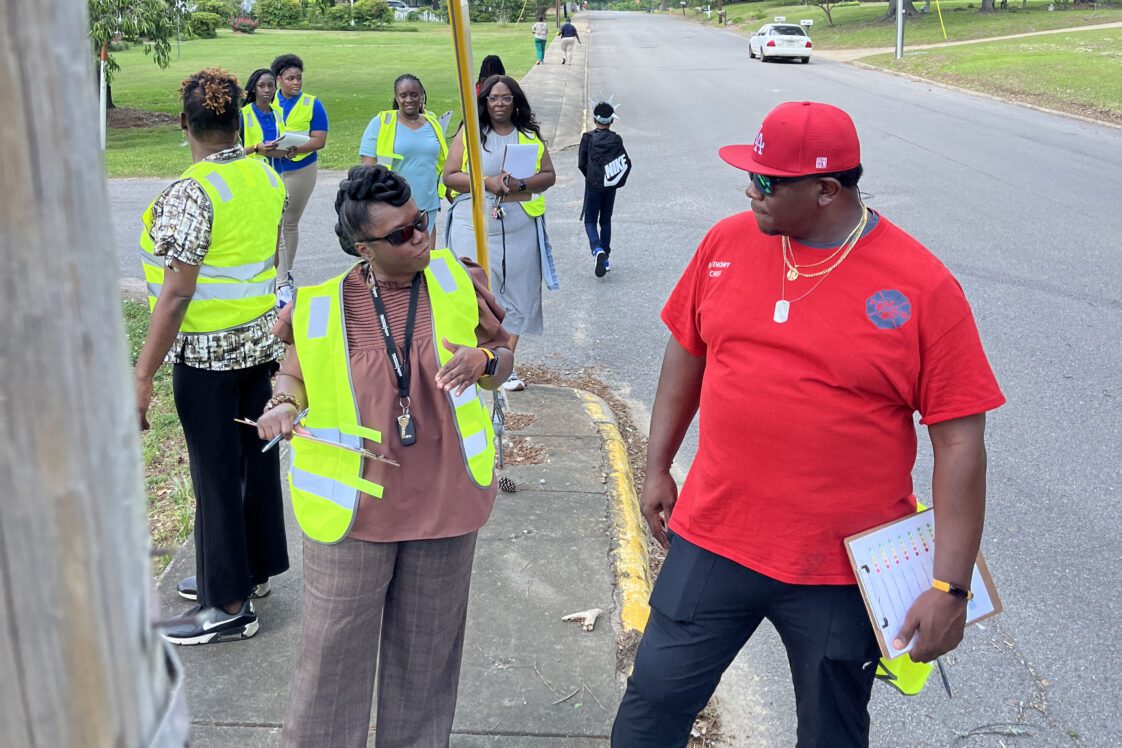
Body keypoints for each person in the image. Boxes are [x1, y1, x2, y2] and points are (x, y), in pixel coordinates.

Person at [611, 101, 1006, 747]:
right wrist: (658, 465)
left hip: (839, 568)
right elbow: (687, 348)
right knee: (650, 707)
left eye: (767, 182)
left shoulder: (923, 287)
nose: (750, 190)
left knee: (831, 733)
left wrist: (951, 587)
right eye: (751, 174)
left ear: (826, 190)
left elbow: (960, 438)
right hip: (714, 537)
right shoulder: (726, 243)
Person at [257, 165, 514, 746]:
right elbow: (293, 378)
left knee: (425, 666)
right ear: (361, 247)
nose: (420, 237)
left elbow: (503, 357)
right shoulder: (319, 306)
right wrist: (281, 406)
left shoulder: (456, 279)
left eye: (420, 222)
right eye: (400, 234)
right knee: (330, 665)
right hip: (353, 514)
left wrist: (485, 364)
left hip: (446, 504)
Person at [135, 68, 290, 645]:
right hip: (258, 346)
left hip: (205, 358)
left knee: (216, 474)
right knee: (254, 461)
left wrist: (142, 374)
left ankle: (227, 606)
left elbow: (176, 293)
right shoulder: (264, 175)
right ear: (240, 120)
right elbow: (266, 257)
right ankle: (247, 571)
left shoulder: (191, 193)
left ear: (184, 123)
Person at [443, 75, 557, 392]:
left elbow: (549, 176)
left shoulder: (528, 135)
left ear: (515, 101)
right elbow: (450, 175)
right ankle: (472, 358)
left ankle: (502, 365)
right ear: (485, 101)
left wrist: (521, 184)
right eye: (494, 98)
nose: (500, 104)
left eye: (506, 98)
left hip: (519, 226)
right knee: (475, 292)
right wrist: (487, 183)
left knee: (518, 295)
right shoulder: (472, 134)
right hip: (474, 223)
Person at [359, 73, 448, 245]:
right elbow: (367, 170)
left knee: (426, 263)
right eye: (403, 95)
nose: (409, 99)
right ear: (396, 97)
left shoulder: (433, 122)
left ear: (422, 96)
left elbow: (440, 162)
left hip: (427, 207)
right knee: (401, 262)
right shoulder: (381, 122)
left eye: (414, 94)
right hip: (394, 207)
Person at [271, 53, 329, 307]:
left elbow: (319, 140)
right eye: (290, 78)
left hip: (301, 169)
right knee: (275, 224)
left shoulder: (313, 104)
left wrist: (297, 148)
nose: (296, 83)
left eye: (299, 78)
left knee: (288, 223)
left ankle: (284, 278)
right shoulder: (267, 101)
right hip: (272, 168)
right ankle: (279, 277)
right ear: (278, 79)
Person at [578, 101, 631, 277]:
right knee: (606, 220)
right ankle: (606, 257)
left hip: (593, 185)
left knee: (590, 221)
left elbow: (582, 164)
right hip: (610, 185)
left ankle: (596, 249)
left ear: (594, 120)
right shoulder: (616, 138)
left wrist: (592, 176)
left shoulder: (587, 138)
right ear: (611, 121)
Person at [240, 67, 292, 170]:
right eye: (261, 86)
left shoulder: (279, 113)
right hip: (252, 176)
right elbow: (230, 153)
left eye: (270, 85)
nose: (267, 90)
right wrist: (256, 148)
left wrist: (287, 153)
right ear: (254, 88)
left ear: (275, 88)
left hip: (276, 176)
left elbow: (276, 150)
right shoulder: (243, 115)